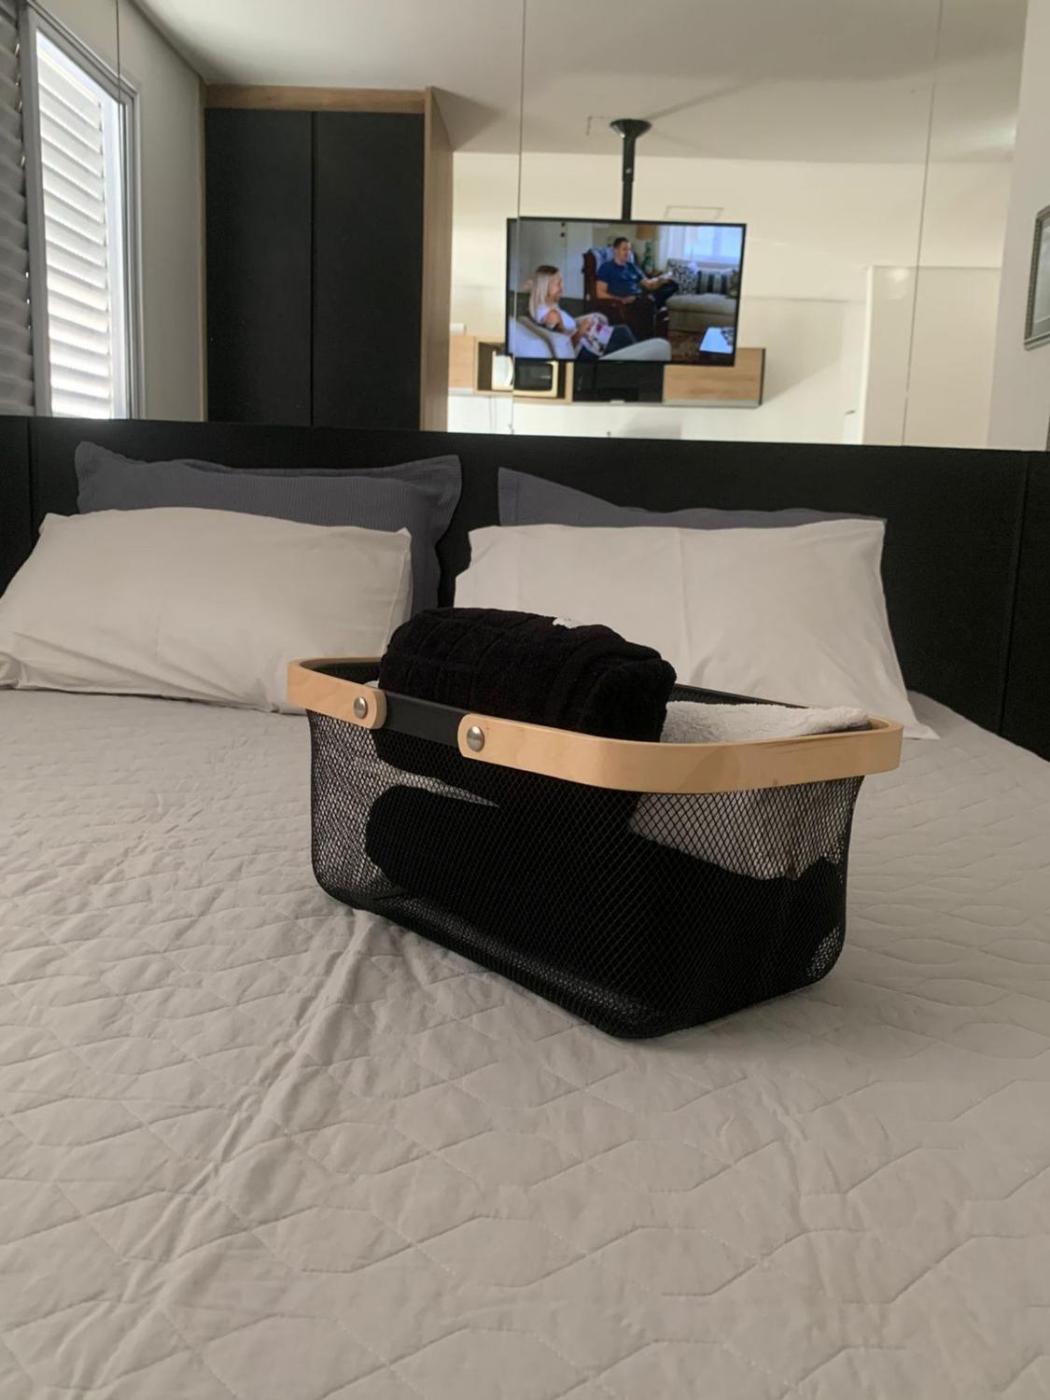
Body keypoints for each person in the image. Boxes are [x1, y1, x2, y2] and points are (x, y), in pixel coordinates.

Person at [529, 265, 636, 360]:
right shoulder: (552, 316)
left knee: (623, 331)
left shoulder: (544, 307)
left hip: (586, 339)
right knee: (625, 340)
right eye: (558, 283)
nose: (562, 286)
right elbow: (566, 348)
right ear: (546, 287)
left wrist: (584, 324)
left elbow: (565, 332)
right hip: (584, 350)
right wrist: (581, 330)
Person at [596, 237, 678, 314]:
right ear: (615, 250)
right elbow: (600, 293)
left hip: (640, 297)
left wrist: (661, 280)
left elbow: (648, 285)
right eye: (624, 249)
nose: (628, 252)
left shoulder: (632, 266)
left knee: (673, 284)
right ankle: (653, 303)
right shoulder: (606, 267)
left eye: (629, 249)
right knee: (648, 302)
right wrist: (621, 300)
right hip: (626, 301)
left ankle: (653, 302)